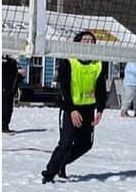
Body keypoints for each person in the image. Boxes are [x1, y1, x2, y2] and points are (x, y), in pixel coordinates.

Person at [41, 30, 108, 183]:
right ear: (77, 43)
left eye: (91, 40)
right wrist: (71, 110)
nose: (88, 42)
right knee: (65, 142)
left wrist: (101, 109)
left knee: (86, 144)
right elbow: (63, 88)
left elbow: (101, 88)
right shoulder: (69, 61)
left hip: (88, 109)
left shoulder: (97, 63)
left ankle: (62, 163)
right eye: (85, 40)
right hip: (70, 107)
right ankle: (49, 174)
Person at [2, 54, 23, 132]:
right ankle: (3, 126)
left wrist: (21, 75)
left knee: (8, 108)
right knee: (5, 107)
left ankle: (5, 125)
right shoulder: (6, 63)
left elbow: (16, 78)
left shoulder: (13, 64)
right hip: (5, 88)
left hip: (11, 89)